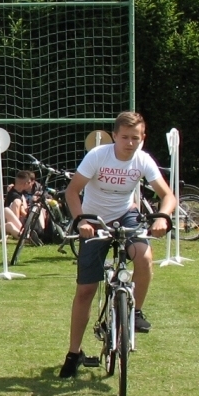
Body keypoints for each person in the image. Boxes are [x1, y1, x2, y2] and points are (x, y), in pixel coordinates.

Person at [59, 111, 176, 378]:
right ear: (115, 136)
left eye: (136, 138)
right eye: (125, 137)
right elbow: (72, 191)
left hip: (126, 215)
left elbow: (167, 195)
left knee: (144, 257)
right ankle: (73, 353)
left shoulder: (143, 160)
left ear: (143, 138)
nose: (130, 143)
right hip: (94, 219)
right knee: (86, 290)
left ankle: (135, 313)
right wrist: (81, 221)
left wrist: (163, 218)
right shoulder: (98, 156)